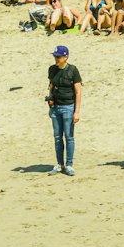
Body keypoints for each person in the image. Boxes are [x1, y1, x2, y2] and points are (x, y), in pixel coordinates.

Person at [47, 45, 81, 176]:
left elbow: (78, 92)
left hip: (68, 107)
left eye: (58, 56)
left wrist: (76, 112)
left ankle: (69, 164)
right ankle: (59, 164)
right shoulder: (52, 70)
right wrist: (50, 106)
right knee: (57, 137)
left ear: (66, 57)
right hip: (56, 107)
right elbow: (50, 87)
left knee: (69, 136)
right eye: (55, 56)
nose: (56, 58)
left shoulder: (73, 70)